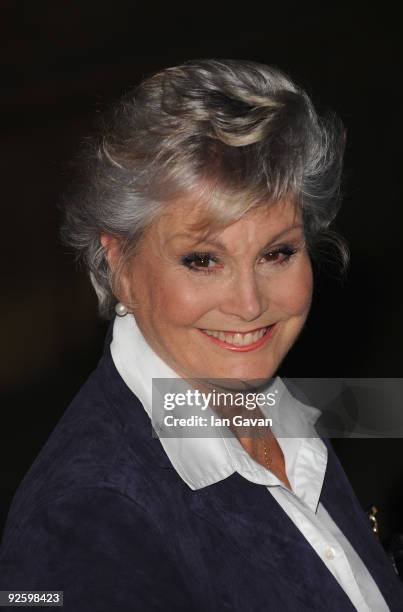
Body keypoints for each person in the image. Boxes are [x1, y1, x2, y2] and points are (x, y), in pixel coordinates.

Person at [0, 59, 401, 611]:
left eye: (277, 253)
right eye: (202, 260)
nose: (250, 304)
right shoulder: (86, 520)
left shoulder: (277, 403)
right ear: (119, 263)